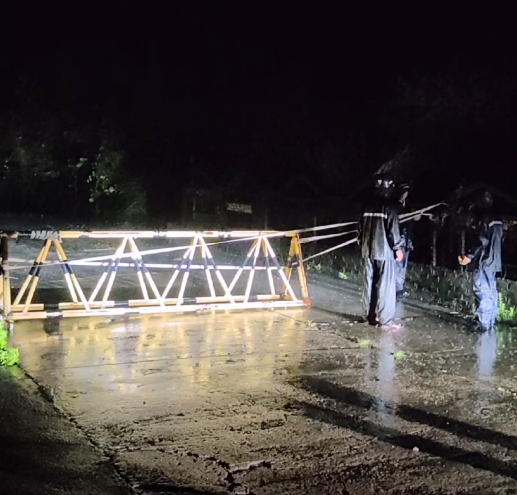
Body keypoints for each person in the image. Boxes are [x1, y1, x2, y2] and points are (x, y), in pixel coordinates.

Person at [358, 174, 404, 329]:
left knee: (368, 283)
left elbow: (359, 229)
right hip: (384, 252)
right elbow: (393, 230)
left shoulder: (367, 206)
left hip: (367, 250)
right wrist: (398, 248)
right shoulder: (390, 207)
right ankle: (385, 320)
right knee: (385, 286)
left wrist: (362, 243)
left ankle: (368, 316)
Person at [459, 190, 503, 331]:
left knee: (482, 290)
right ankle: (490, 322)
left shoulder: (484, 219)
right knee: (491, 291)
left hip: (485, 260)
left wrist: (469, 256)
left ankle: (482, 324)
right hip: (495, 260)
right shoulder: (498, 219)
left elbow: (481, 241)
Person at [395, 182, 421, 299]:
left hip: (407, 240)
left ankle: (399, 288)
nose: (405, 195)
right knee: (397, 264)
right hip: (398, 240)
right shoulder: (395, 206)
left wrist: (416, 214)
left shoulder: (409, 206)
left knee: (403, 266)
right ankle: (395, 287)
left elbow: (417, 218)